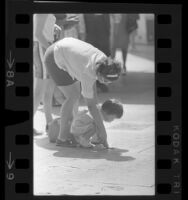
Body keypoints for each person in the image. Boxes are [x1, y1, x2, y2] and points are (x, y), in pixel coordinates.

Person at [43, 37, 122, 148]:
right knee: (73, 96)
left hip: (66, 52)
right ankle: (62, 138)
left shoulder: (103, 61)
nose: (107, 83)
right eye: (105, 80)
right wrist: (103, 131)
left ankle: (69, 134)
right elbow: (91, 105)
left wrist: (99, 126)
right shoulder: (88, 72)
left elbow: (93, 98)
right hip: (54, 57)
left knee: (76, 94)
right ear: (99, 74)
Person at [33, 14, 60, 135]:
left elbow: (40, 27)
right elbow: (38, 33)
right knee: (40, 91)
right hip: (42, 46)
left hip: (44, 46)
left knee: (48, 90)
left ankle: (49, 124)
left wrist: (54, 26)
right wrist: (51, 49)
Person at [83, 14, 111, 93]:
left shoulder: (86, 14)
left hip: (91, 41)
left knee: (92, 63)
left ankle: (95, 84)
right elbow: (108, 28)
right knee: (101, 63)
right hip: (102, 42)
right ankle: (100, 83)